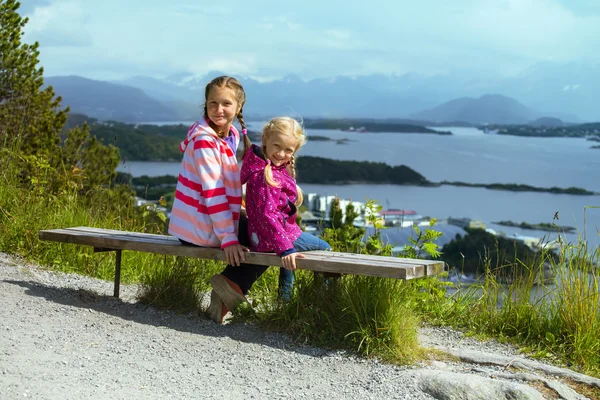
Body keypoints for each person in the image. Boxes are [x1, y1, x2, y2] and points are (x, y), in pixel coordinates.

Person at [168, 75, 268, 324]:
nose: (219, 109)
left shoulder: (230, 135)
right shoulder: (204, 141)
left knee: (266, 230)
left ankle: (226, 295)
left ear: (238, 107)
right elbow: (213, 194)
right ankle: (230, 286)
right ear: (206, 105)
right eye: (213, 103)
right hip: (199, 226)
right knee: (269, 238)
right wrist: (229, 239)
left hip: (207, 221)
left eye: (226, 103)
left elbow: (231, 186)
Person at [241, 117, 331, 300]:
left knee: (290, 259)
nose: (281, 154)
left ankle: (286, 299)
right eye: (277, 146)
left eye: (288, 150)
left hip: (263, 235)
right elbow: (268, 215)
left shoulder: (266, 167)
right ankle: (324, 299)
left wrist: (286, 249)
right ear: (265, 140)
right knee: (324, 249)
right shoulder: (265, 177)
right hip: (274, 236)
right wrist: (285, 249)